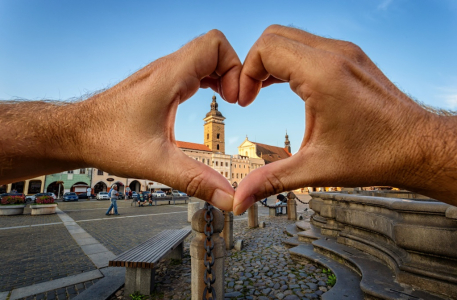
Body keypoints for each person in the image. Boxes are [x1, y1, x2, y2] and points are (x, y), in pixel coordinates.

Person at [1, 26, 456, 214]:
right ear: (209, 127)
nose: (214, 128)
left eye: (215, 128)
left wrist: (414, 144)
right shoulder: (212, 140)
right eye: (212, 127)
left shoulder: (239, 147)